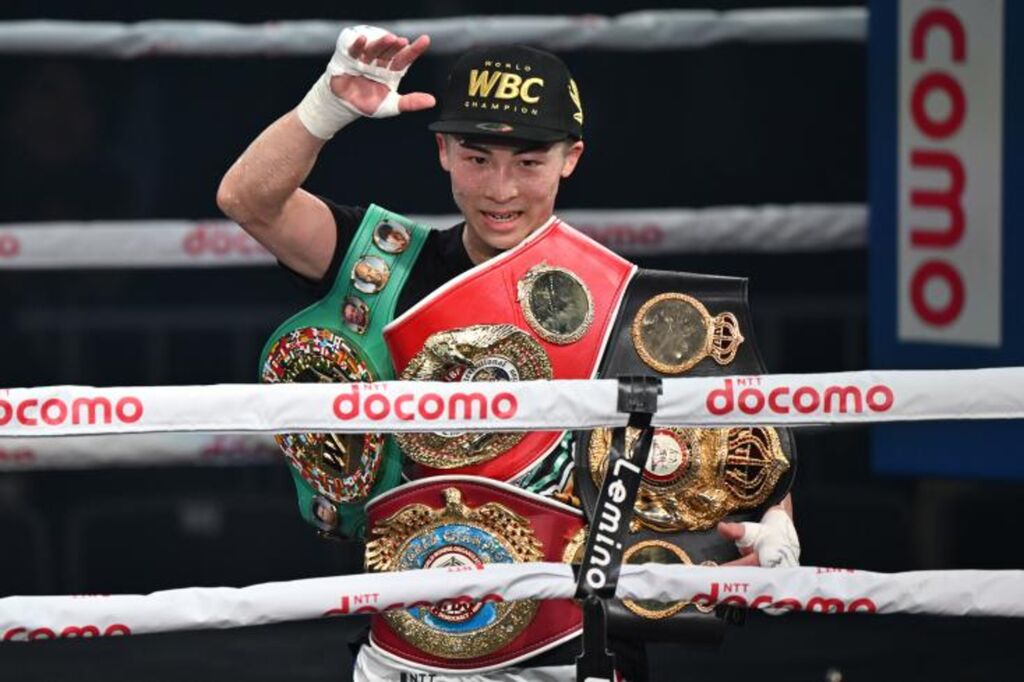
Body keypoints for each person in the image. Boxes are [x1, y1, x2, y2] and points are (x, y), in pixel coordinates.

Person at [218, 24, 798, 682]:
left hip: (574, 651)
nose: (501, 189)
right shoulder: (387, 264)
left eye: (528, 163)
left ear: (570, 158)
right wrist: (327, 106)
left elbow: (737, 448)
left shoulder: (625, 304)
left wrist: (775, 523)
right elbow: (248, 199)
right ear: (442, 151)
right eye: (477, 158)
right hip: (405, 653)